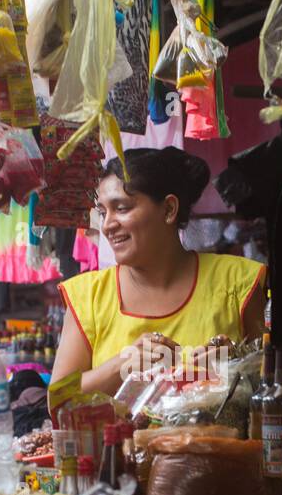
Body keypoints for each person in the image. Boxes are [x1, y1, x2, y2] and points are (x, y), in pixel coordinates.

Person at [51, 147, 266, 395]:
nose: (107, 224)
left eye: (121, 208)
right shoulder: (88, 296)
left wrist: (233, 364)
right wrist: (123, 365)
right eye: (102, 212)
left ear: (168, 210)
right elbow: (59, 400)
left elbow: (278, 381)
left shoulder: (237, 283)